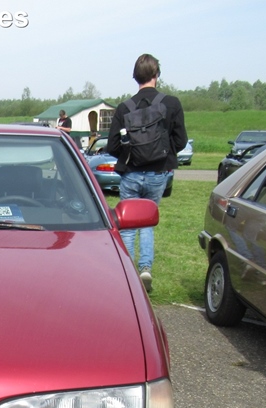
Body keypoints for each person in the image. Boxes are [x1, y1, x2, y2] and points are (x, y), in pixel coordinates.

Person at [106, 53, 187, 293]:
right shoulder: (171, 104)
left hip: (131, 172)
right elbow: (181, 140)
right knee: (147, 222)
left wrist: (130, 155)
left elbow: (112, 145)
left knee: (128, 224)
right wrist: (164, 152)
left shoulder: (124, 108)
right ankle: (145, 268)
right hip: (158, 172)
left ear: (135, 77)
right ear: (156, 75)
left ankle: (128, 272)